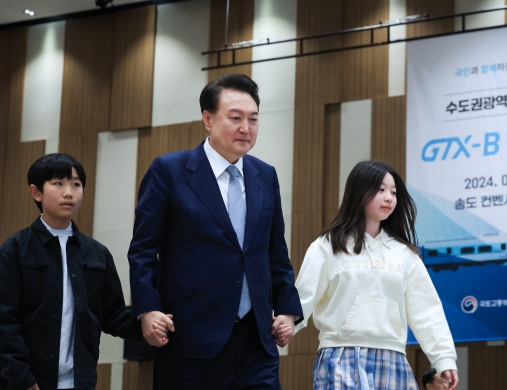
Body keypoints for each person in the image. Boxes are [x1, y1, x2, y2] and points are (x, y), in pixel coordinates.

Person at [128, 73, 303, 389]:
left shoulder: (265, 175)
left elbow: (275, 250)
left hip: (256, 342)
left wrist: (288, 310)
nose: (245, 128)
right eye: (235, 118)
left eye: (253, 119)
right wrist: (147, 309)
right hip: (190, 337)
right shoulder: (169, 171)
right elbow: (142, 250)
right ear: (207, 119)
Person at [0, 153, 167, 390]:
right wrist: (22, 379)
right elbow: (4, 321)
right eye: (58, 183)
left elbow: (113, 315)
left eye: (76, 184)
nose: (69, 192)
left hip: (81, 380)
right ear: (36, 192)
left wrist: (147, 322)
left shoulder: (97, 253)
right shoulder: (14, 250)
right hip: (28, 381)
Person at [294, 160, 459, 390]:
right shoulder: (327, 246)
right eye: (381, 190)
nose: (389, 197)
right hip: (340, 355)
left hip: (393, 357)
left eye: (393, 192)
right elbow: (302, 297)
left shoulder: (405, 254)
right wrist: (285, 325)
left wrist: (444, 358)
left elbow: (427, 310)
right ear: (359, 192)